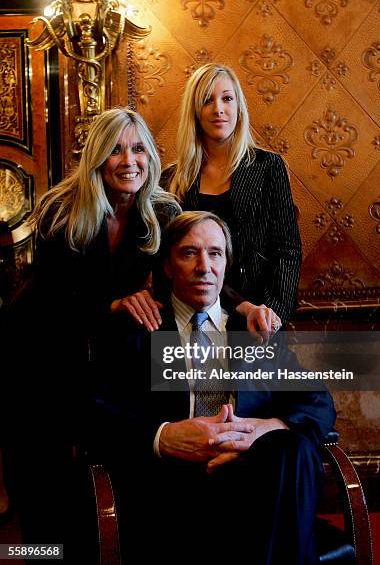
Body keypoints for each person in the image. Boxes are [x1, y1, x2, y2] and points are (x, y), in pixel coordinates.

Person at [92, 211, 336, 565]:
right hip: (171, 489)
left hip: (256, 480)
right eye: (189, 253)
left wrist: (267, 428)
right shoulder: (139, 327)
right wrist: (163, 436)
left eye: (215, 253)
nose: (204, 266)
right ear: (168, 266)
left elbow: (317, 400)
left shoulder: (255, 329)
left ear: (226, 263)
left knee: (292, 448)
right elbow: (93, 411)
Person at [3, 107, 180, 561]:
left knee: (109, 469)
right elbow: (50, 299)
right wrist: (112, 304)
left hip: (108, 358)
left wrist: (243, 305)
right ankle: (41, 554)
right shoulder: (62, 209)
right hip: (41, 351)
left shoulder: (162, 210)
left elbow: (197, 271)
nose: (129, 160)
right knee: (39, 470)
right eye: (116, 150)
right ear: (98, 158)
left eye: (138, 148)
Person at [162, 63, 302, 338]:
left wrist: (272, 315)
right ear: (195, 111)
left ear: (239, 106)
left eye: (227, 98)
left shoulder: (267, 167)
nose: (219, 109)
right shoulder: (171, 179)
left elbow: (288, 249)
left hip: (259, 320)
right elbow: (167, 259)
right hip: (194, 317)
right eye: (207, 100)